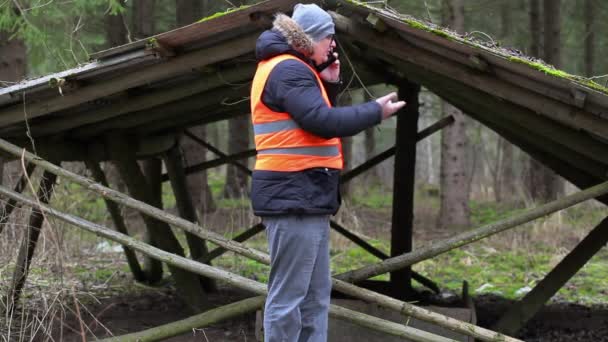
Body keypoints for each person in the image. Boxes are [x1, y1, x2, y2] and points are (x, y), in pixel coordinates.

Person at [249, 3, 406, 341]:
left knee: (314, 297)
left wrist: (330, 84)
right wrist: (374, 112)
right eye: (329, 40)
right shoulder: (288, 70)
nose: (333, 47)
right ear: (311, 38)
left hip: (305, 196)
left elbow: (313, 119)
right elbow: (322, 122)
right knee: (289, 298)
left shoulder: (297, 70)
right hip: (292, 196)